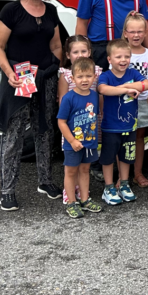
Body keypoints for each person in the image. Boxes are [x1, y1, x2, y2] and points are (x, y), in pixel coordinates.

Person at [0, 0, 63, 211]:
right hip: (21, 76)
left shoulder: (51, 11)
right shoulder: (11, 11)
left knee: (45, 130)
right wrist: (10, 73)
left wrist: (53, 66)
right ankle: (7, 191)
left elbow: (56, 45)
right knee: (14, 133)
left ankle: (45, 181)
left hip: (44, 76)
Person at [97, 39, 148, 206]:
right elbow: (103, 89)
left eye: (127, 56)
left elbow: (147, 84)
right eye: (118, 56)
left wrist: (130, 85)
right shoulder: (106, 75)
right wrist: (126, 89)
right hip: (110, 127)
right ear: (109, 59)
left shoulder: (133, 73)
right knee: (108, 158)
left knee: (127, 157)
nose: (123, 60)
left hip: (130, 126)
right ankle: (109, 188)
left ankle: (124, 185)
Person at [56, 58, 104, 219]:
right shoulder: (69, 98)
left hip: (90, 143)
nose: (85, 80)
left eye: (88, 76)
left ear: (94, 77)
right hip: (73, 145)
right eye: (80, 76)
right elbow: (61, 122)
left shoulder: (95, 96)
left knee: (85, 171)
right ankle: (71, 202)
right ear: (73, 78)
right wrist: (72, 141)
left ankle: (85, 200)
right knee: (71, 172)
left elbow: (94, 117)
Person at [123, 13, 148, 189]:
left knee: (139, 137)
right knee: (123, 137)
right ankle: (123, 177)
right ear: (125, 33)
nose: (136, 35)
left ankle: (137, 173)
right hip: (124, 101)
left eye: (140, 31)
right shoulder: (121, 53)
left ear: (145, 33)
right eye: (132, 31)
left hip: (144, 101)